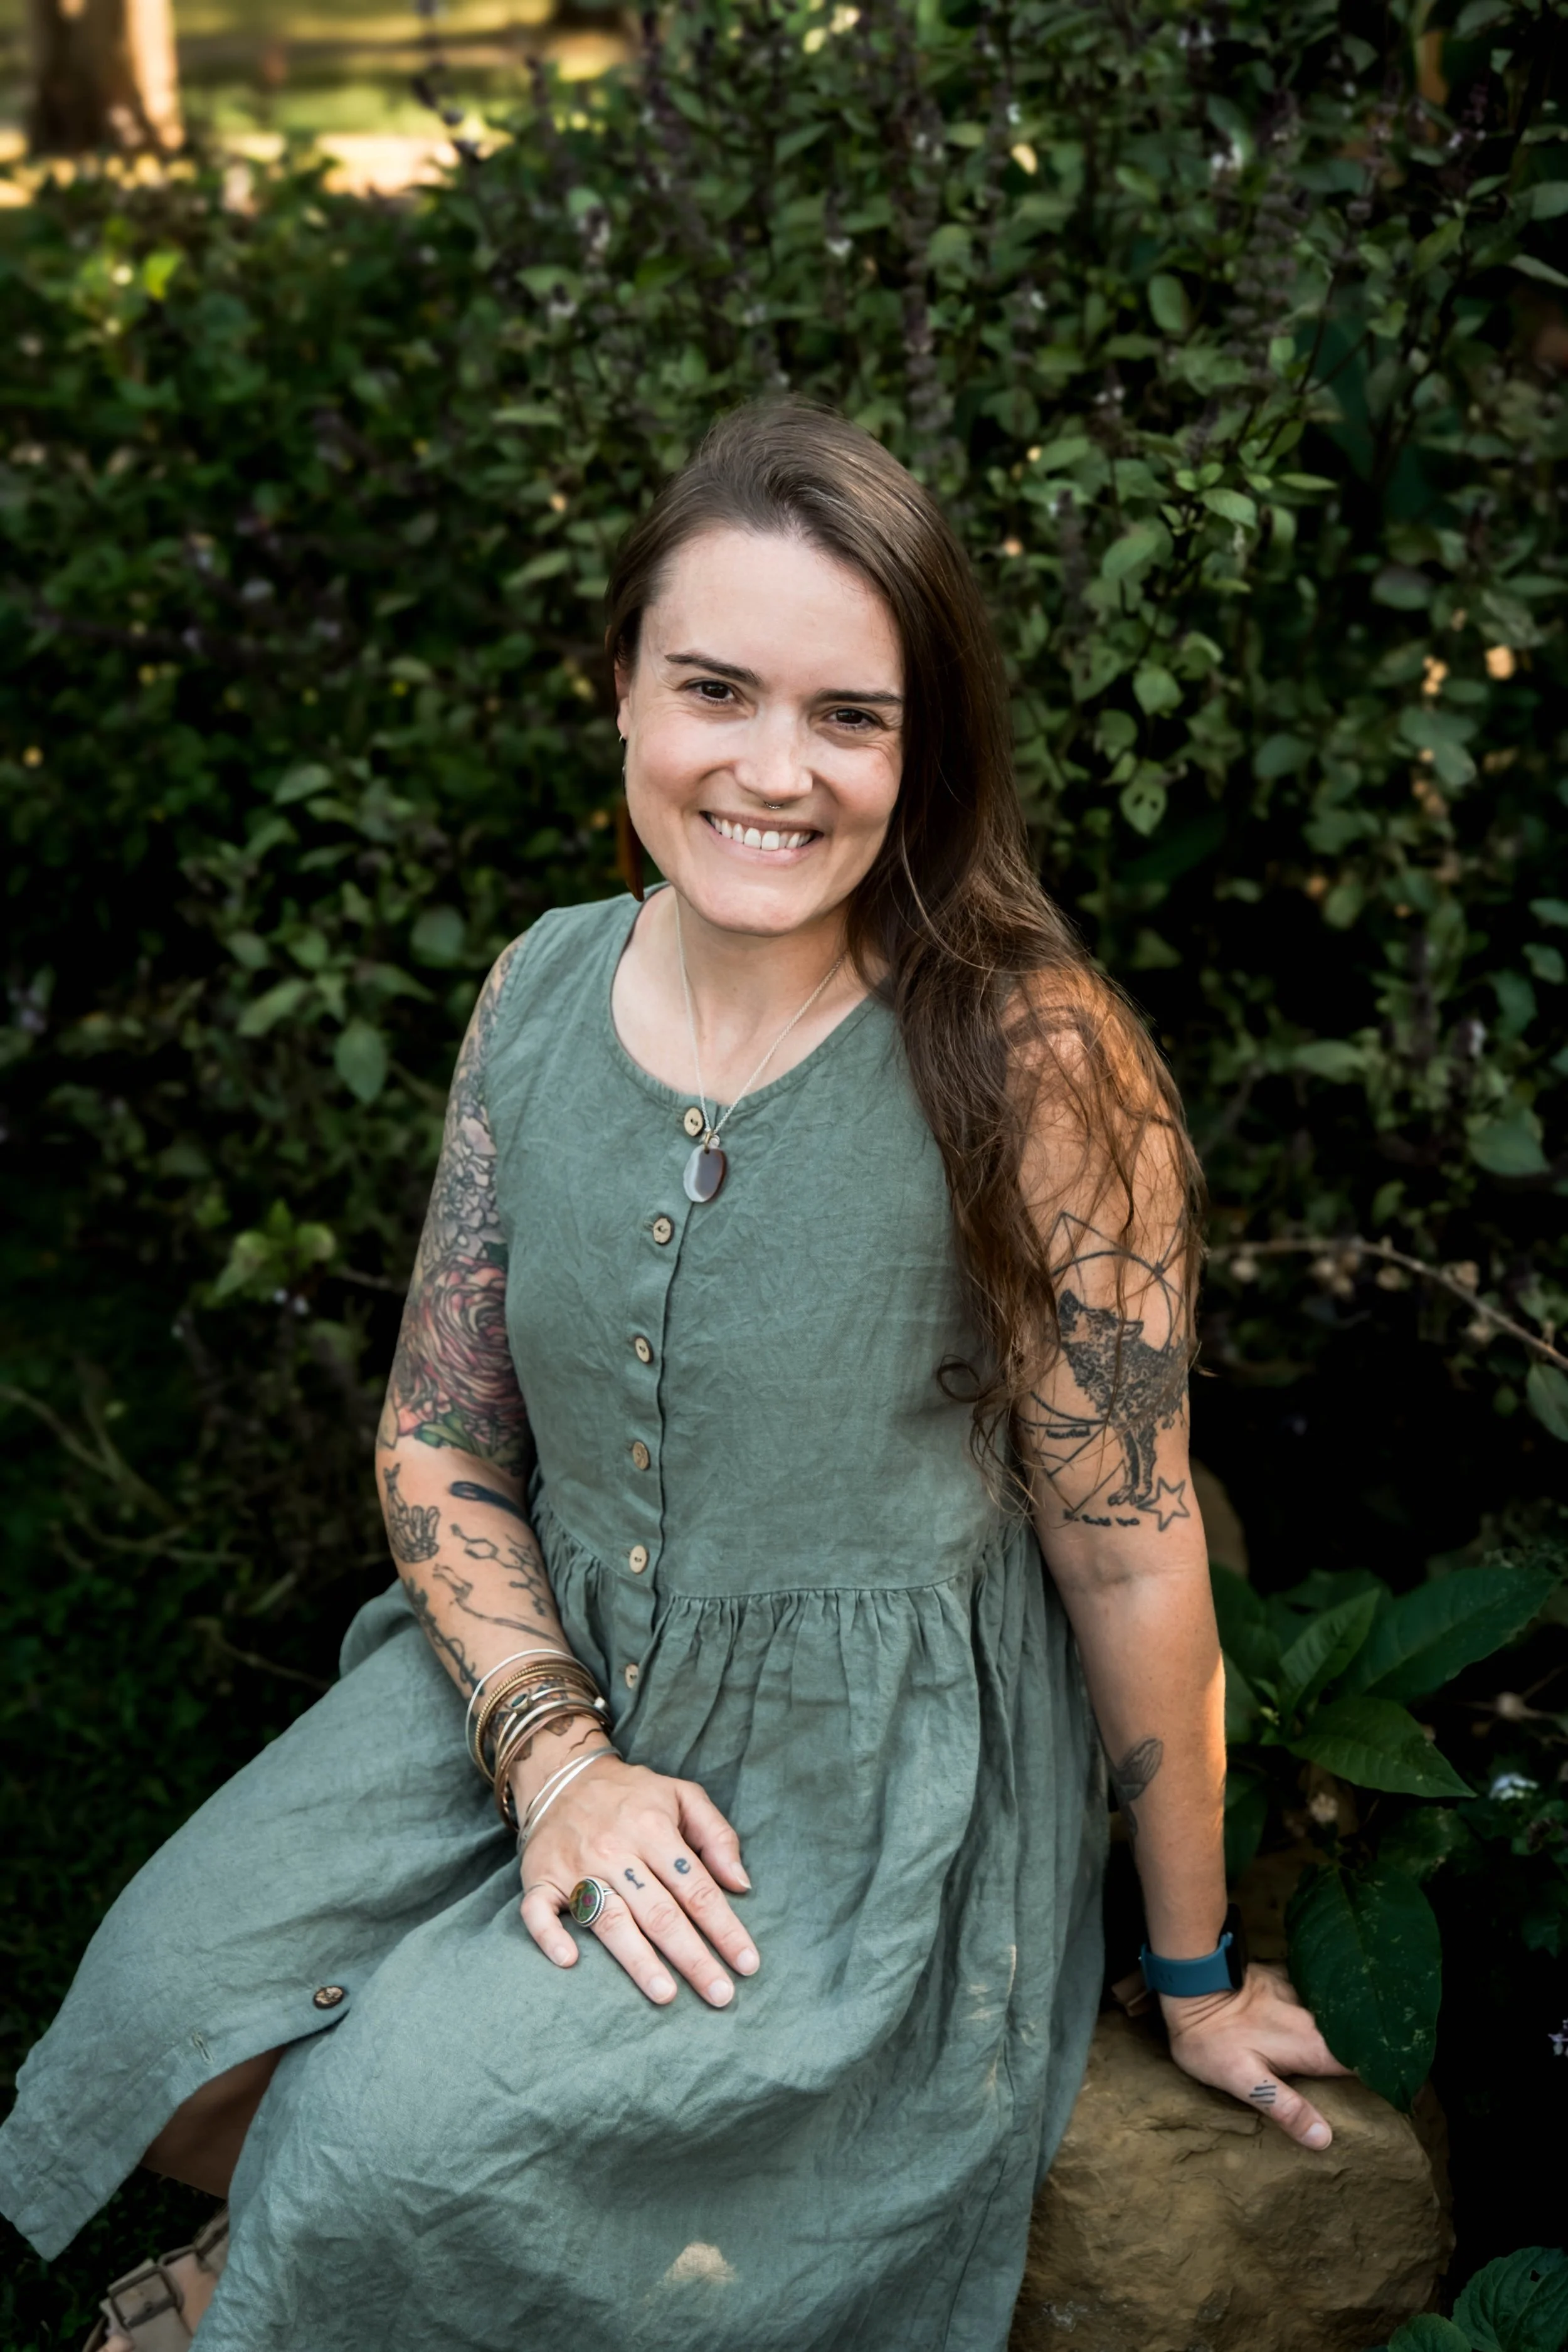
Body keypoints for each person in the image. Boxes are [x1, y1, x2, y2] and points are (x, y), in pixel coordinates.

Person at [0, 401, 1345, 2352]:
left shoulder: (1034, 1063)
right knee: (153, 2020)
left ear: (924, 739)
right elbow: (440, 1433)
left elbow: (1135, 1560)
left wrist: (1200, 1970)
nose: (771, 772)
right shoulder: (539, 988)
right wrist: (554, 1756)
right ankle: (331, 2244)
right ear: (619, 681)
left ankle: (252, 2290)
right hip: (536, 1669)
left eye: (849, 716)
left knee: (391, 2134)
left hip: (851, 1771)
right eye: (713, 687)